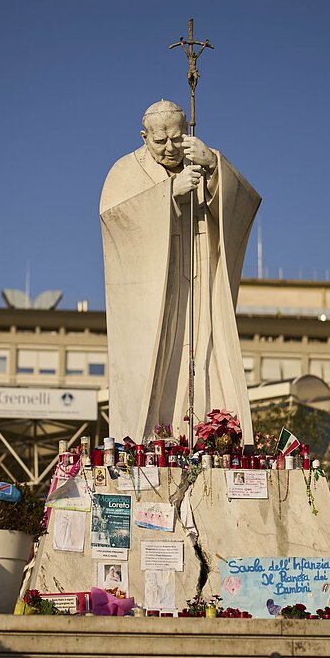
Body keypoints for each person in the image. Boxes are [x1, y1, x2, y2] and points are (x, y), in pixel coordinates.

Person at [99, 100, 261, 443]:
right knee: (162, 352)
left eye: (176, 138)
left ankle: (207, 430)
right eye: (160, 142)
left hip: (200, 279)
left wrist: (215, 167)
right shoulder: (124, 171)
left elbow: (245, 203)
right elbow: (114, 220)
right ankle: (154, 434)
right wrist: (170, 192)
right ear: (144, 137)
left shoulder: (202, 158)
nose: (170, 148)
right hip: (152, 285)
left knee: (203, 347)